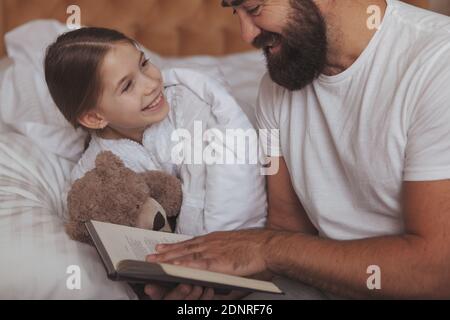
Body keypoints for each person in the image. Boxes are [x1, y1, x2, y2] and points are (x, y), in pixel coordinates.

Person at [144, 0, 450, 299]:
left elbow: (436, 272)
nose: (247, 35)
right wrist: (201, 278)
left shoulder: (437, 63)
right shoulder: (276, 88)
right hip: (320, 283)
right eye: (235, 11)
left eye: (254, 9)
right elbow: (289, 232)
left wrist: (267, 248)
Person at [44, 27, 267, 238]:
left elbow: (225, 174)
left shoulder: (187, 105)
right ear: (95, 117)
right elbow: (87, 210)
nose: (151, 84)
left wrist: (198, 236)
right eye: (127, 86)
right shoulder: (95, 169)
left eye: (144, 64)